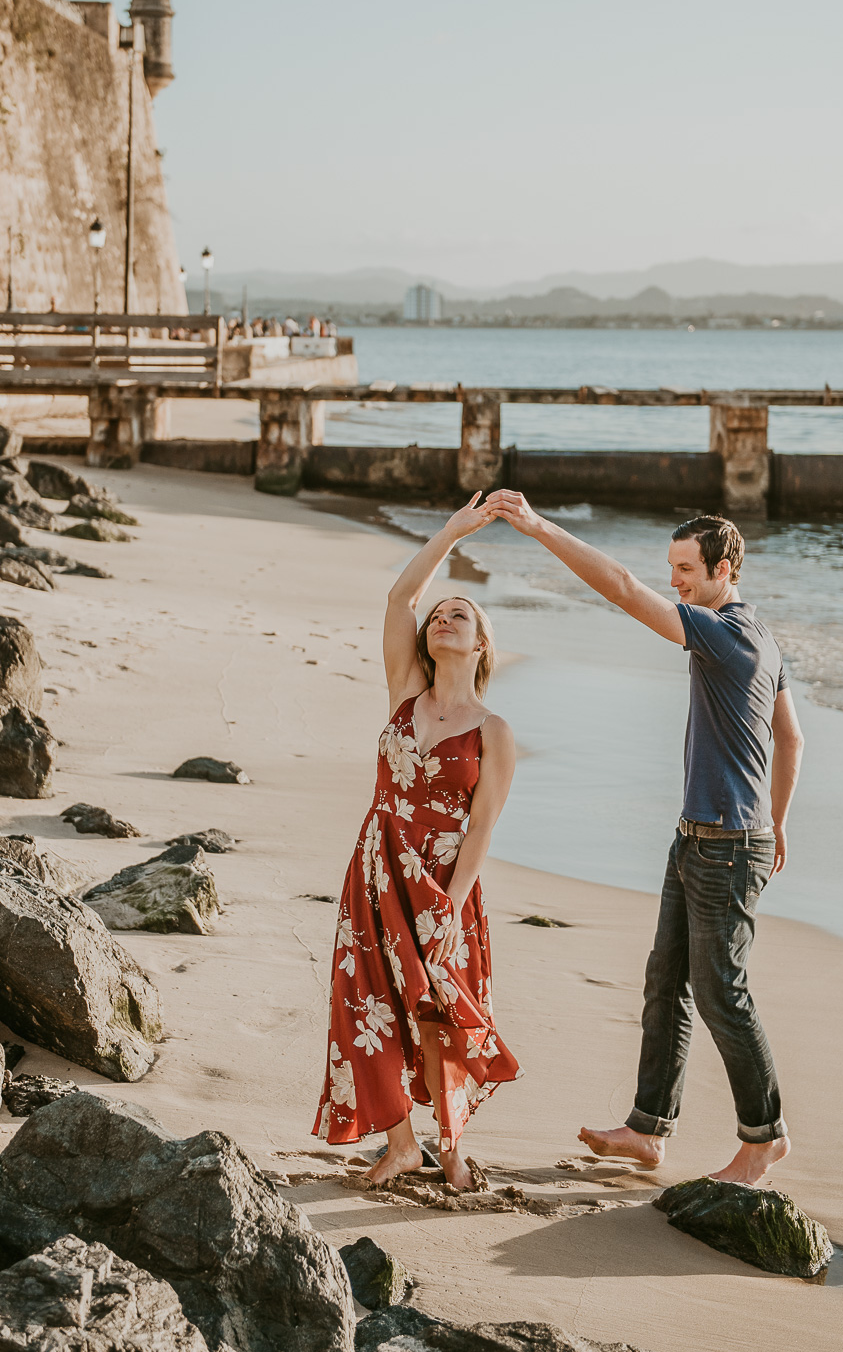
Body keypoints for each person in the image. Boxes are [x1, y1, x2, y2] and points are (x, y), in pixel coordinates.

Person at [485, 494, 804, 1186]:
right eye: (671, 567)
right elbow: (791, 736)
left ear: (725, 568)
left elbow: (624, 592)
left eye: (686, 568)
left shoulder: (729, 634)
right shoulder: (763, 637)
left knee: (723, 992)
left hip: (724, 846)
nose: (674, 581)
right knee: (667, 982)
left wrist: (539, 527)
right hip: (701, 839)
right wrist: (777, 821)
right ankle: (648, 1128)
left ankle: (764, 1136)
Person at [313, 493, 522, 1188]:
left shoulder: (493, 731)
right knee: (365, 1000)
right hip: (376, 873)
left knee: (441, 1011)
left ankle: (451, 1143)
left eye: (458, 614)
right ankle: (402, 1144)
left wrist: (451, 906)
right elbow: (402, 596)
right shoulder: (404, 690)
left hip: (440, 884)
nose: (442, 619)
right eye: (439, 616)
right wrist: (454, 531)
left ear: (481, 641)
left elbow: (484, 824)